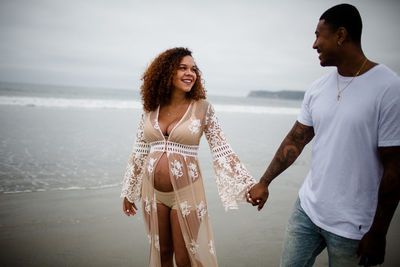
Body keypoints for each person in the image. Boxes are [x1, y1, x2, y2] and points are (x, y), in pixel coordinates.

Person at [247, 3, 400, 267]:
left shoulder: (388, 88)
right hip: (307, 210)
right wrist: (265, 181)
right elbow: (295, 140)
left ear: (341, 35)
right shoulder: (317, 89)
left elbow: (395, 167)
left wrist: (379, 231)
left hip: (354, 227)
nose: (314, 44)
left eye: (319, 35)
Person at [121, 47, 255, 267]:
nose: (190, 73)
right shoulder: (150, 108)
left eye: (193, 69)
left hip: (186, 193)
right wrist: (129, 190)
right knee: (163, 253)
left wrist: (248, 185)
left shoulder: (202, 108)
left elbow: (222, 149)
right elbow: (139, 151)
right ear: (166, 72)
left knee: (185, 259)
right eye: (182, 68)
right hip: (152, 194)